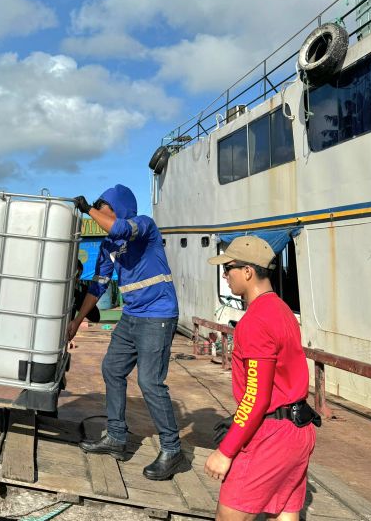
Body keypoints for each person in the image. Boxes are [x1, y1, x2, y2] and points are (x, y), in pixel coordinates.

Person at [69, 184, 184, 480]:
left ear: (117, 207)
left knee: (149, 381)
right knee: (112, 368)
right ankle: (117, 438)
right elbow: (98, 285)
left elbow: (120, 227)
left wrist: (87, 209)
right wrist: (77, 321)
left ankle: (172, 450)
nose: (97, 214)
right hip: (132, 316)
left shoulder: (143, 225)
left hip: (158, 315)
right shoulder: (109, 245)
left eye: (102, 207)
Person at [204, 236, 317, 521]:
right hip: (299, 431)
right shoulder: (283, 311)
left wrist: (225, 451)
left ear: (247, 271)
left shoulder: (255, 321)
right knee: (284, 513)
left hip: (271, 436)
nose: (225, 275)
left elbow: (257, 397)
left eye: (228, 268)